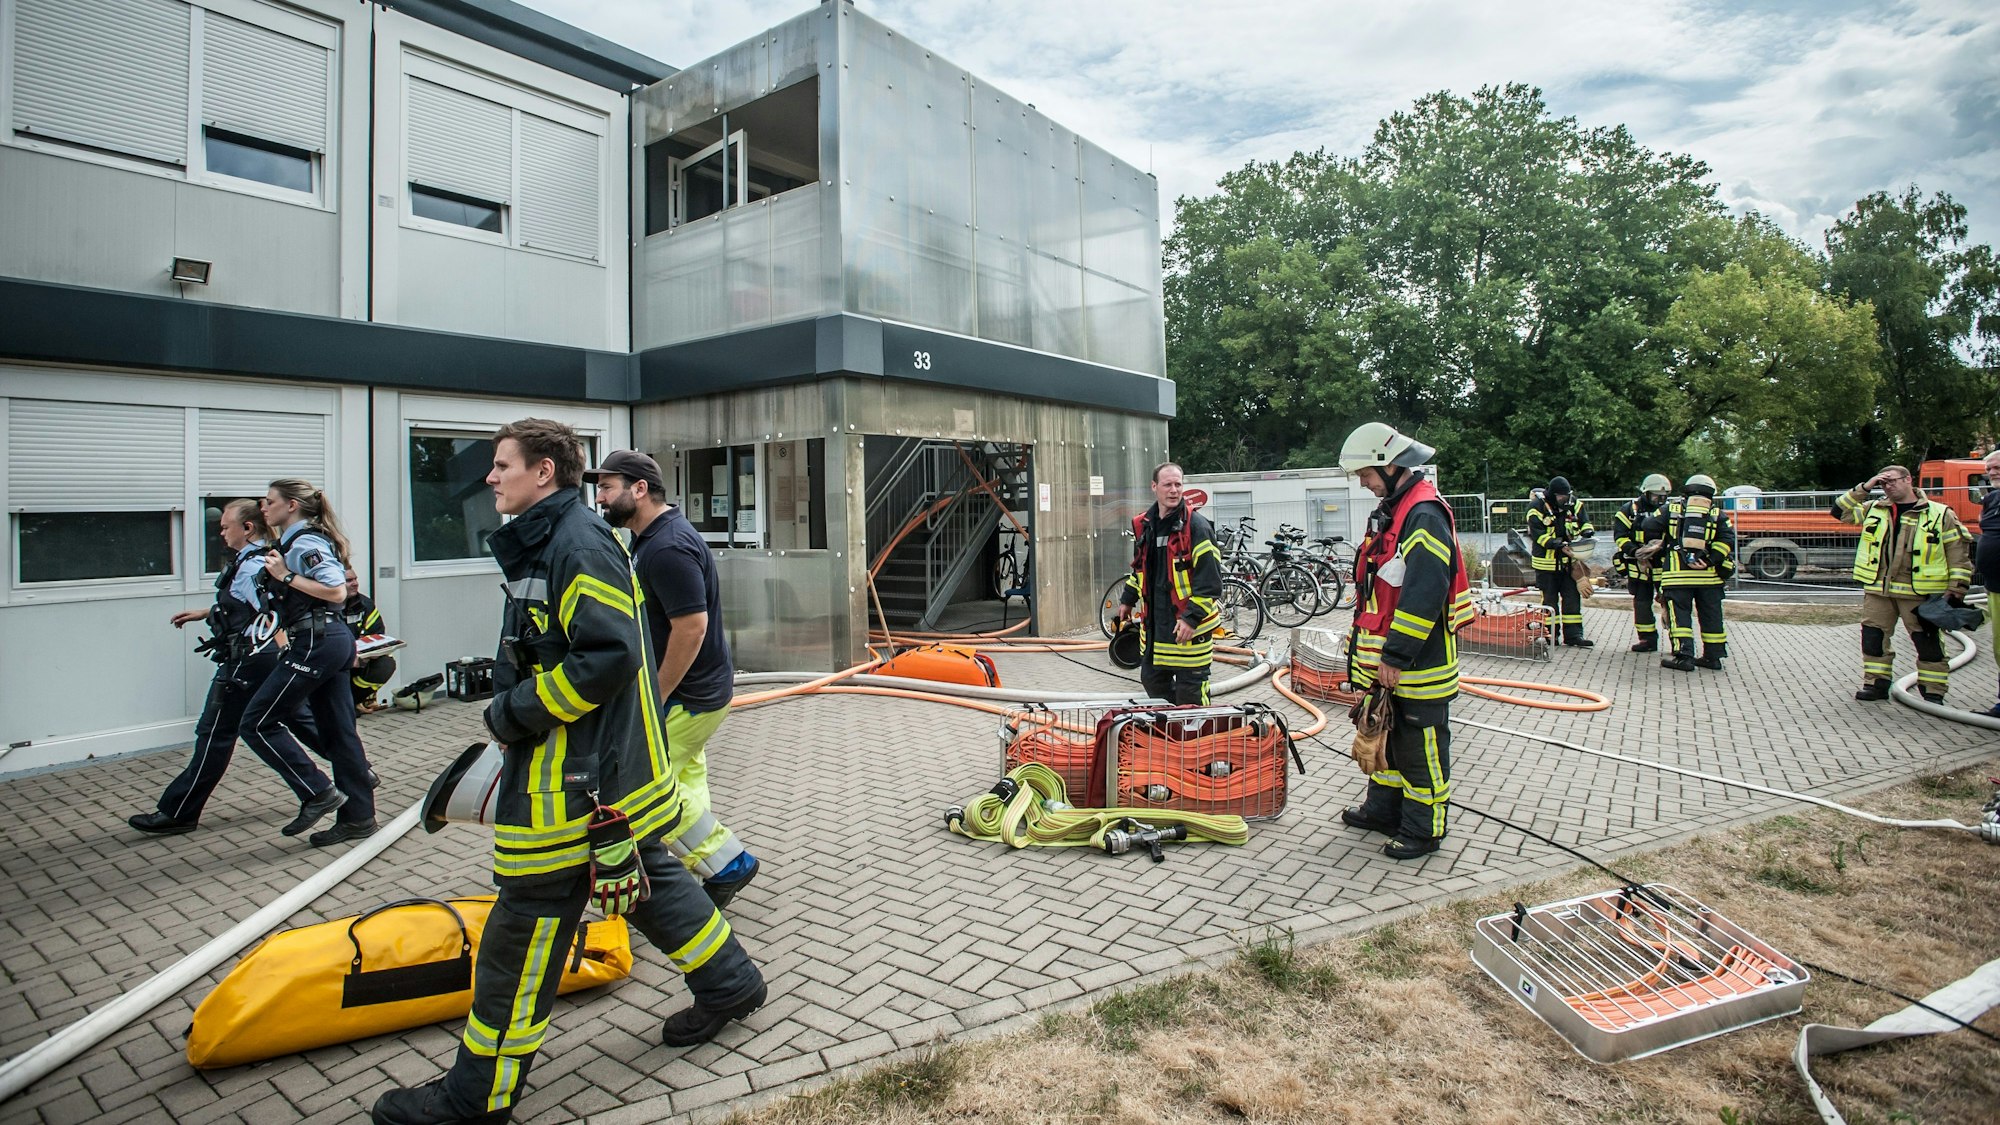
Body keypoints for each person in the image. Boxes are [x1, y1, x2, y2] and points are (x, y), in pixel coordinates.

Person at [372, 419, 766, 1125]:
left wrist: (512, 712)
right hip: (598, 773)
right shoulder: (556, 539)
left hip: (571, 781)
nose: (491, 478)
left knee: (522, 926)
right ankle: (730, 982)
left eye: (502, 465)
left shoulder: (576, 543)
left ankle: (476, 1096)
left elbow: (608, 656)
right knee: (641, 878)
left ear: (544, 472)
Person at [586, 449, 761, 907]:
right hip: (695, 692)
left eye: (607, 488)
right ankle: (699, 863)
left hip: (684, 696)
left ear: (639, 490)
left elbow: (692, 627)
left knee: (641, 786)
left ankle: (728, 863)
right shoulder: (652, 539)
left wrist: (656, 696)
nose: (600, 498)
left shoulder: (666, 547)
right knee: (683, 778)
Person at [129, 501, 315, 834]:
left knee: (214, 733)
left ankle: (180, 812)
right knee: (299, 721)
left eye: (226, 525)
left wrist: (287, 652)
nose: (221, 531)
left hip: (249, 661)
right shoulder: (251, 562)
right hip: (259, 659)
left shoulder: (253, 565)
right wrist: (206, 612)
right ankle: (355, 774)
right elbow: (245, 605)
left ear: (247, 529)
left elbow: (273, 611)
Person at [1333, 423, 1473, 860]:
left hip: (1418, 665)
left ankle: (1423, 829)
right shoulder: (1397, 509)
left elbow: (1424, 593)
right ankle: (1383, 810)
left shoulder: (1423, 514)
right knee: (1389, 741)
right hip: (1394, 666)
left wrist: (1395, 654)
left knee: (1420, 749)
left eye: (1366, 474)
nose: (1363, 482)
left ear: (1390, 464)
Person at [238, 479, 378, 846]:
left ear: (293, 506)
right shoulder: (292, 542)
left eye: (270, 502)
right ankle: (359, 818)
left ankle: (317, 792)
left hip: (317, 642)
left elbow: (334, 589)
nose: (263, 508)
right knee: (338, 734)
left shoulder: (305, 542)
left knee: (255, 722)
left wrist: (284, 575)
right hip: (325, 641)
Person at [1836, 464, 1974, 703]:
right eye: (1883, 483)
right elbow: (1840, 511)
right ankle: (1876, 684)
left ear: (1908, 479)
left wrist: (1956, 589)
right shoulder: (1874, 509)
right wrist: (1866, 486)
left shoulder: (1939, 514)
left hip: (1919, 592)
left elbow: (1957, 554)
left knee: (1926, 641)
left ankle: (1933, 691)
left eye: (1892, 481)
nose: (1887, 486)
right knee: (1873, 639)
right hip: (1879, 590)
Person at [1113, 462, 1224, 704]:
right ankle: (1174, 738)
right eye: (1167, 484)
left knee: (1191, 699)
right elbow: (1141, 568)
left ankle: (1196, 740)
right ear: (1154, 487)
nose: (1174, 490)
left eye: (1178, 484)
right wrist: (1128, 599)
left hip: (1188, 633)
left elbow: (1210, 582)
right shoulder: (1145, 526)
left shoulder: (1197, 528)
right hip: (1156, 632)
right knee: (1152, 682)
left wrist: (1191, 618)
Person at [1652, 474, 1736, 671]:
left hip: (1678, 577)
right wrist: (1709, 560)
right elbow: (1727, 540)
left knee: (1679, 617)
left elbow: (1648, 526)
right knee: (1711, 616)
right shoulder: (1718, 514)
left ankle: (1684, 657)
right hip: (1709, 578)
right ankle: (1713, 657)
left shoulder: (1671, 510)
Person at [1525, 477, 1595, 646]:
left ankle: (1574, 636)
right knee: (1549, 602)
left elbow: (1585, 522)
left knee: (1572, 599)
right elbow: (1539, 536)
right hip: (1546, 566)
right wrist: (1558, 544)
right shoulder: (1536, 508)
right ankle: (1551, 636)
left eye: (1567, 496)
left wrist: (1587, 533)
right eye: (1562, 497)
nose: (1565, 500)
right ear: (1552, 494)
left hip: (1568, 565)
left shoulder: (1574, 504)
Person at [1613, 474, 1671, 652]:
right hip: (1639, 566)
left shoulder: (1670, 510)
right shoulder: (1628, 510)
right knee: (1642, 603)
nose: (1660, 500)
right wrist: (1634, 551)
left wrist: (1661, 547)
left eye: (1664, 496)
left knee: (1670, 603)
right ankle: (1647, 639)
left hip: (1663, 564)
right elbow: (1620, 536)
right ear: (1645, 493)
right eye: (1656, 496)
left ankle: (1678, 642)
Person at [342, 567, 397, 713]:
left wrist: (370, 653)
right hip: (334, 661)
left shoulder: (364, 604)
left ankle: (352, 702)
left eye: (355, 579)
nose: (355, 583)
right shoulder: (324, 606)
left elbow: (377, 633)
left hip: (359, 660)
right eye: (349, 580)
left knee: (386, 664)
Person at [1976, 448, 2000, 717]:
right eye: (1989, 469)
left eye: (1998, 468)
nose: (1992, 473)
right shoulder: (1992, 499)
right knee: (1999, 648)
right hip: (1995, 587)